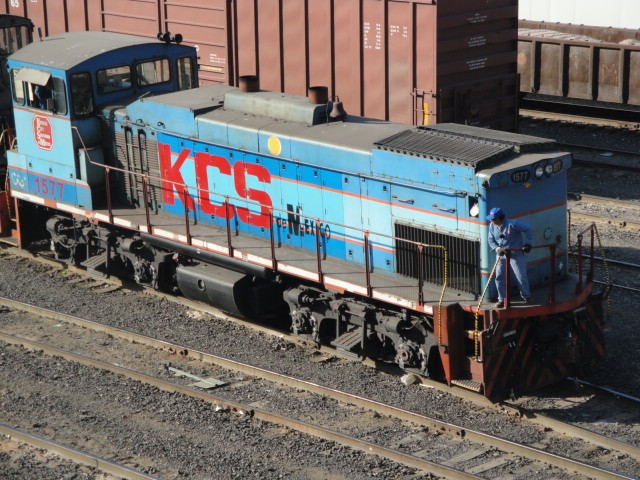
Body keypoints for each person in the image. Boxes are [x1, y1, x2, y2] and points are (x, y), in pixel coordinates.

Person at [486, 207, 533, 308]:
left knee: (520, 276)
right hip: (501, 255)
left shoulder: (513, 224)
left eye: (493, 219)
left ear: (499, 218)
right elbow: (490, 240)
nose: (491, 221)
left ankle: (527, 296)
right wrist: (497, 248)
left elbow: (528, 228)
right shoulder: (492, 226)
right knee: (499, 276)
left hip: (516, 254)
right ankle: (502, 299)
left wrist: (528, 243)